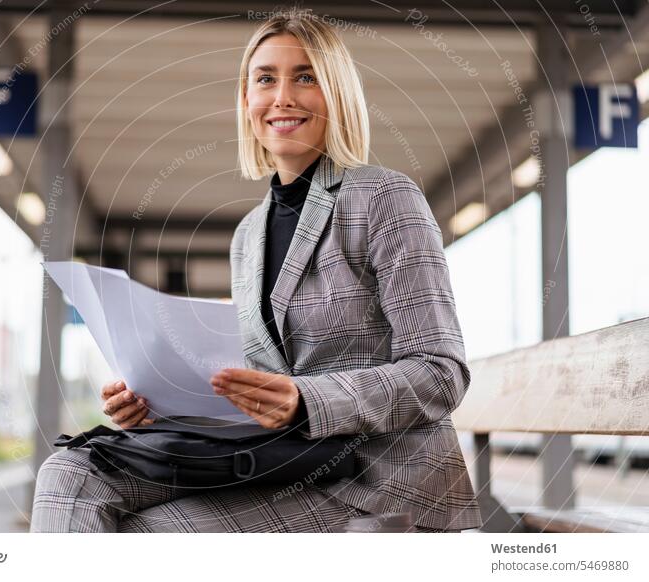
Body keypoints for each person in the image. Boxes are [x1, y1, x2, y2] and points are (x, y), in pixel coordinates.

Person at [30, 7, 482, 533]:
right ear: (246, 100)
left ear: (337, 94)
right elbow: (262, 385)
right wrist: (159, 403)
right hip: (283, 462)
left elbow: (440, 372)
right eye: (265, 79)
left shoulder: (383, 198)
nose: (282, 97)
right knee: (69, 473)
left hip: (377, 486)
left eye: (305, 77)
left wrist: (307, 400)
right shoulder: (249, 234)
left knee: (153, 534)